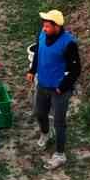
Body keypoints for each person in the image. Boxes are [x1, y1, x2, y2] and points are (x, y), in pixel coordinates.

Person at [26, 9, 80, 169]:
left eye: (48, 26)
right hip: (42, 84)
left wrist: (62, 87)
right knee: (39, 113)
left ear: (57, 27)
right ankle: (45, 133)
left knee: (59, 122)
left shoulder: (68, 43)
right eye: (44, 25)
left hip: (59, 90)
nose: (44, 28)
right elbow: (38, 54)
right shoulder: (42, 35)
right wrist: (32, 71)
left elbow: (76, 70)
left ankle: (60, 155)